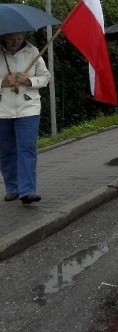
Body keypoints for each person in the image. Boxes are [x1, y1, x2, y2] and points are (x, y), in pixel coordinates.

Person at [0, 31, 51, 204]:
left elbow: (46, 77)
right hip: (2, 110)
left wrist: (29, 81)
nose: (16, 42)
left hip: (28, 108)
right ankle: (12, 188)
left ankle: (27, 191)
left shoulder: (33, 51)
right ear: (4, 37)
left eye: (19, 39)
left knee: (27, 148)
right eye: (12, 39)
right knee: (6, 150)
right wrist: (2, 83)